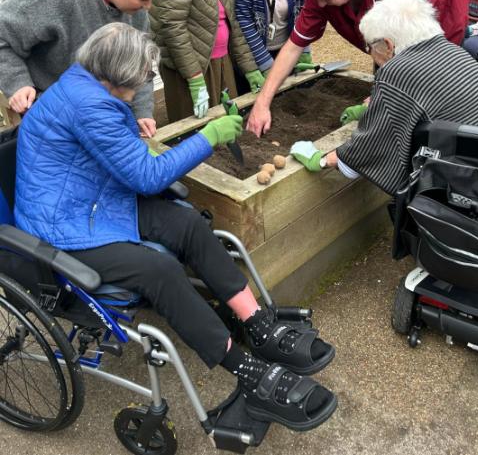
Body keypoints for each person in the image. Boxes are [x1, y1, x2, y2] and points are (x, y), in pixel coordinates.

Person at [14, 22, 337, 433]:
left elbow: (124, 162)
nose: (145, 84)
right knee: (159, 270)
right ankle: (248, 372)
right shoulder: (89, 105)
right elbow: (147, 177)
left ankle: (256, 323)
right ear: (115, 75)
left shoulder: (88, 85)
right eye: (142, 77)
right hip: (62, 227)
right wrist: (209, 137)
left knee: (186, 222)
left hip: (94, 198)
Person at [289, 0, 478, 194]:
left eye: (369, 47)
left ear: (387, 44)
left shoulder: (397, 71)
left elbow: (367, 149)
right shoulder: (452, 51)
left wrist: (321, 159)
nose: (370, 54)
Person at [247, 0, 469, 136]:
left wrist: (385, 94)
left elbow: (411, 53)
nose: (321, 5)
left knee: (422, 95)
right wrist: (262, 103)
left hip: (441, 14)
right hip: (393, 38)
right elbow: (295, 44)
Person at [0, 0, 164, 138]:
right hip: (50, 109)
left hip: (101, 111)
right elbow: (2, 36)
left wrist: (142, 111)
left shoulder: (136, 9)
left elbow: (139, 64)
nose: (148, 7)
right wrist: (18, 84)